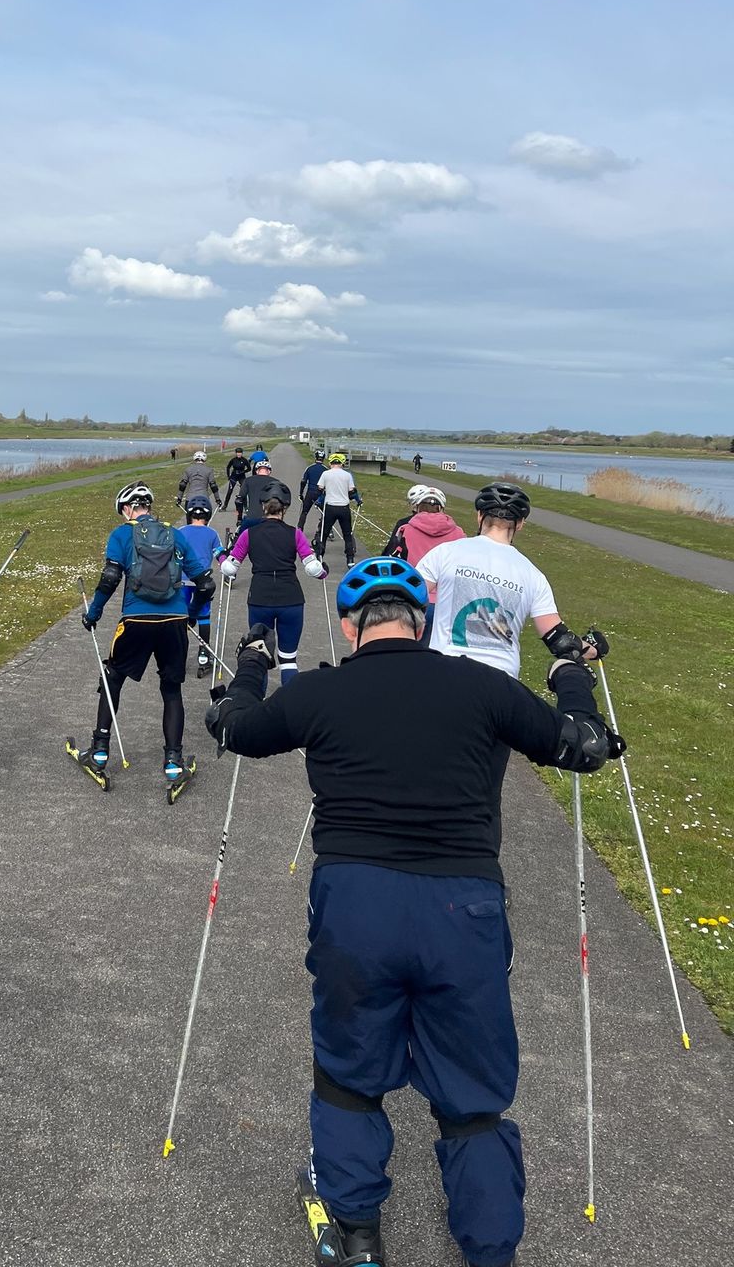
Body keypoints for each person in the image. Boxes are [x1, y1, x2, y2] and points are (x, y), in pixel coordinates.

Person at [203, 557, 623, 1267]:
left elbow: (235, 728)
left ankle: (358, 1230)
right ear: (422, 624)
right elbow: (583, 747)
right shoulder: (483, 686)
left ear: (347, 626)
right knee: (471, 1092)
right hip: (462, 903)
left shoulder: (325, 693)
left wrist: (249, 665)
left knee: (349, 1070)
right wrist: (571, 677)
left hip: (356, 902)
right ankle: (490, 1248)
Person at [80, 483, 215, 783]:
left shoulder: (121, 534)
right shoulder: (175, 534)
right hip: (174, 622)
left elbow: (110, 579)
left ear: (128, 509)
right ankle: (173, 762)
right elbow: (206, 584)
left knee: (112, 678)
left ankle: (100, 751)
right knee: (171, 690)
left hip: (136, 620)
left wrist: (94, 613)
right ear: (149, 507)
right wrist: (191, 616)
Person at [417, 483, 603, 680]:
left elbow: (406, 599)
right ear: (520, 523)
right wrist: (593, 648)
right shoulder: (533, 574)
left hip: (445, 671)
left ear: (479, 516)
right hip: (502, 682)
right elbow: (559, 639)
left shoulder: (445, 552)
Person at [221, 497, 326, 681]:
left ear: (263, 508)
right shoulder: (295, 533)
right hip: (291, 598)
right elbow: (312, 568)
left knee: (260, 657)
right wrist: (323, 572)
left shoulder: (248, 534)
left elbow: (230, 569)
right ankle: (290, 705)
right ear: (283, 510)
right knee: (288, 659)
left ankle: (259, 703)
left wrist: (221, 558)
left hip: (260, 598)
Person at [176, 498, 226, 676]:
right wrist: (226, 565)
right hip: (202, 582)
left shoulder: (180, 531)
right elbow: (219, 553)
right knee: (204, 615)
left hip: (182, 581)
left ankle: (178, 656)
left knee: (181, 617)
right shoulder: (211, 533)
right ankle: (204, 656)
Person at [385, 485, 464, 566]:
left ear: (418, 508)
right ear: (442, 510)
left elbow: (391, 557)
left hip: (412, 577)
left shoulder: (404, 529)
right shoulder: (459, 533)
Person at [315, 458, 362, 566]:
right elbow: (352, 491)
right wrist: (358, 500)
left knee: (324, 533)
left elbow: (320, 488)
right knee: (347, 534)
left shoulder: (325, 474)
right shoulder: (347, 475)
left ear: (331, 463)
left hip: (330, 507)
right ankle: (350, 559)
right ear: (341, 464)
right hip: (344, 507)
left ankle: (319, 556)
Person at [239, 458, 293, 528]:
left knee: (241, 535)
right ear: (269, 471)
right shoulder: (276, 482)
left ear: (257, 471)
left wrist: (239, 518)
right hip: (268, 518)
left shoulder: (248, 480)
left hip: (251, 517)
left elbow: (240, 499)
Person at [297, 449, 327, 535]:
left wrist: (301, 493)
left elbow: (303, 481)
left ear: (315, 457)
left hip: (310, 492)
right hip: (321, 493)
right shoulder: (326, 469)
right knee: (324, 512)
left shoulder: (309, 468)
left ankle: (300, 528)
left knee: (305, 511)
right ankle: (322, 529)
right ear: (323, 458)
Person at [222, 446, 250, 511]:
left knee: (244, 491)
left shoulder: (244, 460)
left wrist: (243, 471)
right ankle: (225, 506)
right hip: (233, 476)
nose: (239, 454)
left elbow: (249, 468)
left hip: (242, 477)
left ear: (242, 453)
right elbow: (228, 467)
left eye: (240, 453)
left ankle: (245, 507)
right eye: (237, 453)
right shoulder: (233, 460)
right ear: (236, 453)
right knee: (229, 491)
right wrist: (228, 476)